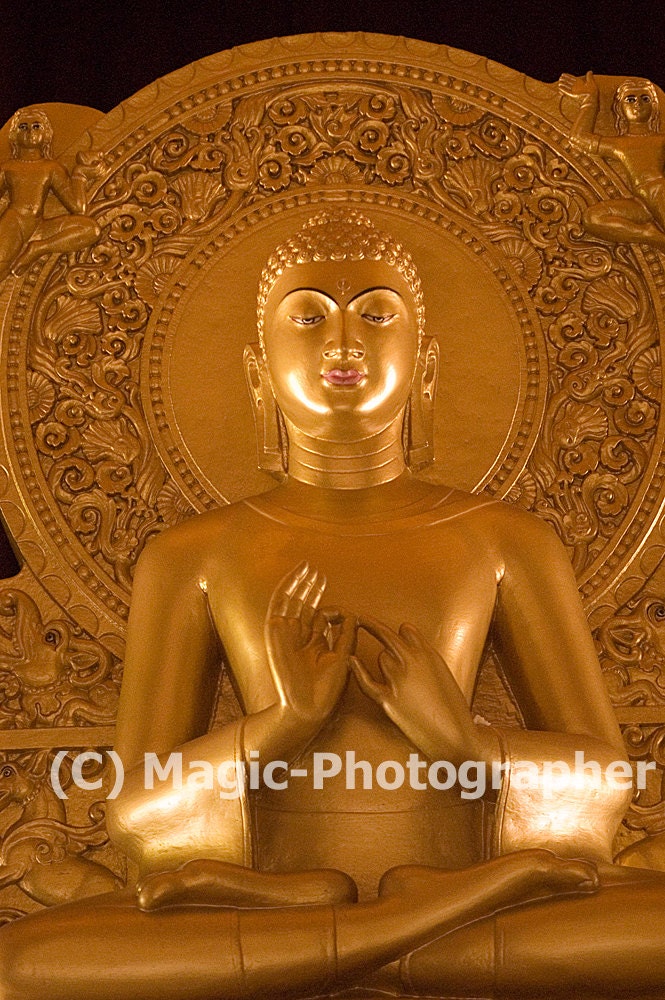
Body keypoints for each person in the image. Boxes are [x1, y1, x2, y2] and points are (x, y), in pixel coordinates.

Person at [1, 210, 665, 1000]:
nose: (342, 343)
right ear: (257, 369)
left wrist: (466, 742)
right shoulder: (192, 556)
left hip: (413, 892)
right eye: (308, 316)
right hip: (308, 899)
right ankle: (407, 931)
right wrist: (275, 727)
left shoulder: (506, 541)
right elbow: (137, 815)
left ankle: (356, 934)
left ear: (425, 364)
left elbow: (606, 781)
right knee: (20, 966)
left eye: (376, 314)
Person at [559, 71, 665, 248]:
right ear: (619, 108)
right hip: (641, 203)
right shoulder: (619, 144)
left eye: (644, 99)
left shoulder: (660, 140)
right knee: (593, 218)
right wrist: (589, 100)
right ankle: (651, 235)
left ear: (654, 105)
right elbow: (578, 138)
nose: (637, 104)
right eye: (630, 99)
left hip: (660, 193)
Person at [0, 107, 99, 281]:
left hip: (40, 226)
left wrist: (80, 174)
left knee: (91, 229)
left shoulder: (52, 168)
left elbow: (78, 208)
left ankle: (38, 249)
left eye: (36, 126)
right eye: (23, 127)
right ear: (14, 135)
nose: (30, 131)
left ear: (46, 133)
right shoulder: (8, 167)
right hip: (15, 223)